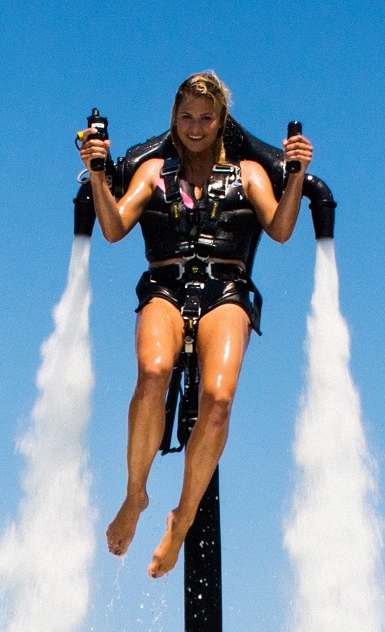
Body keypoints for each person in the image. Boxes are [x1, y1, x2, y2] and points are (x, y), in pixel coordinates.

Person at [78, 72, 312, 578]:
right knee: (154, 371)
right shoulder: (153, 174)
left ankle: (180, 519)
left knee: (220, 398)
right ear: (174, 120)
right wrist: (97, 172)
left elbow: (282, 229)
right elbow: (115, 229)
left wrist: (294, 174)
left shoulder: (248, 173)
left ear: (221, 120)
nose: (196, 126)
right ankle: (136, 495)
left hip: (225, 289)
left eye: (206, 117)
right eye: (186, 117)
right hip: (166, 285)